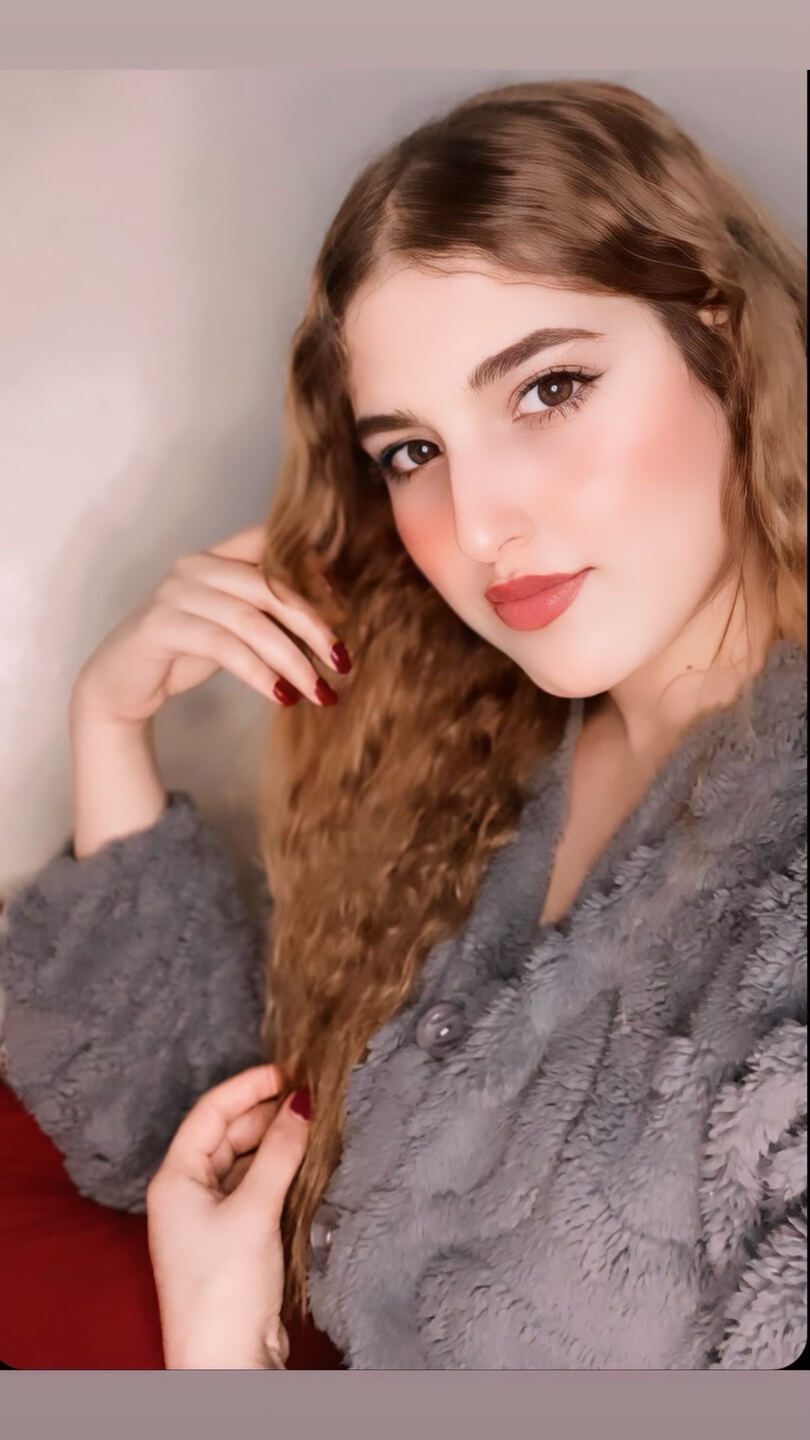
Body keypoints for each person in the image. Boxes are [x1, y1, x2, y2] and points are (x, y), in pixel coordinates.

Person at [0, 78, 806, 1370]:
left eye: (548, 388)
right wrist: (110, 720)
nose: (478, 526)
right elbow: (198, 1134)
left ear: (720, 336)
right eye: (412, 453)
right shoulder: (486, 770)